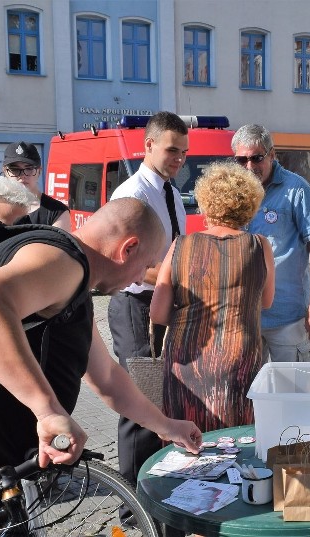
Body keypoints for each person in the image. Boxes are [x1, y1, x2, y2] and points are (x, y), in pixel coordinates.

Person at [0, 198, 203, 533]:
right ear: (128, 248)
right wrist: (48, 410)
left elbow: (106, 377)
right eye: (145, 267)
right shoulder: (63, 258)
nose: (140, 280)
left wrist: (167, 426)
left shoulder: (74, 280)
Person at [151, 161, 275, 431]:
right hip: (238, 355)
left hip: (186, 357)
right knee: (235, 439)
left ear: (206, 201)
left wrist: (189, 310)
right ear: (249, 204)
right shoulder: (259, 246)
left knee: (185, 439)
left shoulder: (181, 245)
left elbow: (158, 314)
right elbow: (266, 302)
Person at [107, 111, 189, 489]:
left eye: (184, 152)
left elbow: (174, 254)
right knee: (139, 399)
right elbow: (125, 261)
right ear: (149, 145)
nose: (179, 158)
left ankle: (153, 486)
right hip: (134, 305)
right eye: (172, 150)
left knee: (157, 394)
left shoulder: (171, 192)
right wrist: (186, 278)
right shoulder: (131, 194)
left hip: (160, 303)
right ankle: (133, 500)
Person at [232, 124, 310, 362]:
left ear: (272, 155)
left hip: (288, 316)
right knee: (252, 395)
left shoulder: (296, 189)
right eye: (242, 160)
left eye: (257, 158)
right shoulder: (233, 191)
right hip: (245, 318)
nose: (250, 166)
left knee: (294, 393)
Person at [2, 141, 71, 230]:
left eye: (29, 168)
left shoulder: (57, 212)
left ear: (39, 171)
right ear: (5, 172)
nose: (23, 175)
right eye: (15, 169)